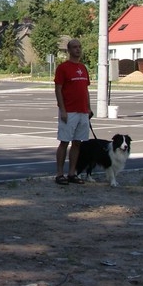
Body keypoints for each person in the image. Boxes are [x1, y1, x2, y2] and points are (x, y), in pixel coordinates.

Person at [54, 38, 92, 186]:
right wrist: (62, 109)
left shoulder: (83, 68)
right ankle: (59, 174)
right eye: (74, 47)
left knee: (77, 143)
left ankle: (72, 173)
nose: (78, 49)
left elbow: (85, 89)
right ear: (69, 50)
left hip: (82, 111)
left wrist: (88, 108)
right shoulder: (63, 68)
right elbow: (58, 89)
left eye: (79, 47)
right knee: (64, 142)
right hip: (69, 111)